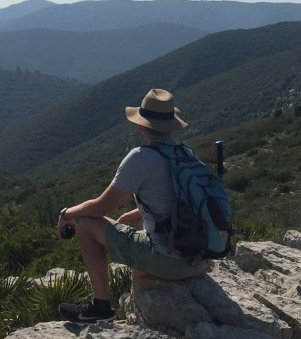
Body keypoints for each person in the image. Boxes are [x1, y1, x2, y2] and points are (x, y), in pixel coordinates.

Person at [55, 88, 212, 323]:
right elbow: (177, 202)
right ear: (171, 126)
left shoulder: (141, 157)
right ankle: (141, 289)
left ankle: (100, 308)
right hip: (199, 259)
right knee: (138, 221)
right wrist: (131, 214)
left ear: (141, 126)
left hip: (169, 262)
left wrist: (67, 214)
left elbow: (101, 208)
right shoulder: (185, 152)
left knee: (87, 224)